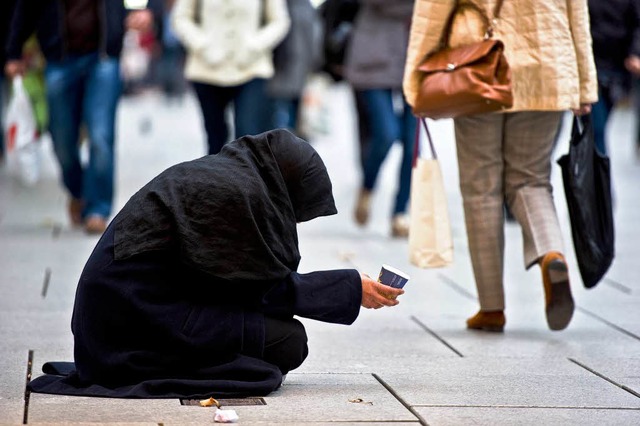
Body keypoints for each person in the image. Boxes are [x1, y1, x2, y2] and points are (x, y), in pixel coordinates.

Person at [26, 129, 404, 399]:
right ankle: (167, 364)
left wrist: (350, 288)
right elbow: (263, 290)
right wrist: (353, 288)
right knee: (288, 342)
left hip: (128, 312)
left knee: (280, 339)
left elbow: (240, 282)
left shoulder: (233, 176)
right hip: (133, 324)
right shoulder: (233, 193)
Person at [404, 0, 598, 331]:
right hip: (548, 70)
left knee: (481, 188)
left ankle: (491, 307)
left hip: (479, 67)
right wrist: (584, 83)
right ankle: (551, 253)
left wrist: (416, 83)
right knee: (532, 179)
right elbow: (577, 14)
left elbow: (432, 13)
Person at [4, 0, 163, 234]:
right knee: (62, 141)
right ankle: (79, 192)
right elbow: (26, 7)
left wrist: (151, 11)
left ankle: (97, 209)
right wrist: (13, 52)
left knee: (101, 135)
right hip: (59, 61)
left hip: (103, 59)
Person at [172, 0, 290, 156]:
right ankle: (215, 179)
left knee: (248, 138)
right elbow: (181, 18)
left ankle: (247, 179)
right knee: (215, 140)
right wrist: (202, 45)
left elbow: (279, 20)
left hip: (251, 68)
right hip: (206, 69)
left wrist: (255, 45)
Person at [345, 0, 417, 238]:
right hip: (373, 57)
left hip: (416, 57)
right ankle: (367, 186)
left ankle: (400, 213)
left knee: (413, 141)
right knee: (386, 133)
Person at [588, 0, 640, 156]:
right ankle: (600, 177)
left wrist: (635, 53)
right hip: (591, 67)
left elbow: (637, 23)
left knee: (600, 125)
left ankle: (598, 173)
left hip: (617, 69)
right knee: (596, 128)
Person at [267, 0, 323, 134]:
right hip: (290, 73)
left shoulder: (295, 7)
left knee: (282, 122)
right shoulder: (306, 7)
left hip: (284, 73)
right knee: (287, 122)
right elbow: (316, 41)